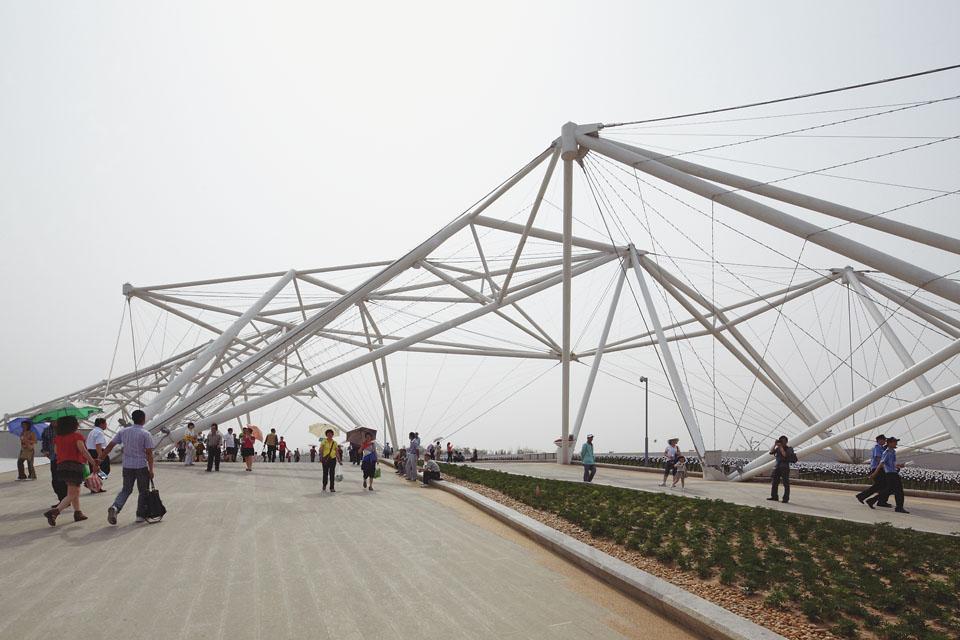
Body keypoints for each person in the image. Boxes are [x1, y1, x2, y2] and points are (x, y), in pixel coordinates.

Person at [43, 416, 101, 526]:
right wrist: (93, 462)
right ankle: (55, 512)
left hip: (61, 466)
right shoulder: (77, 436)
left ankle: (78, 513)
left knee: (74, 491)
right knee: (72, 493)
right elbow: (83, 451)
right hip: (74, 466)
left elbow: (55, 452)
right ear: (73, 425)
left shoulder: (58, 438)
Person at [100, 409, 155, 525]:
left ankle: (115, 507)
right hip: (141, 466)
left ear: (133, 419)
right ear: (143, 419)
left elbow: (110, 446)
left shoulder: (123, 432)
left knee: (126, 489)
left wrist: (100, 458)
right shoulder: (146, 434)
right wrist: (151, 469)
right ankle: (140, 515)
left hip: (127, 466)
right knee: (143, 491)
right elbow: (149, 453)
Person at [868, 437, 908, 513]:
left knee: (889, 490)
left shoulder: (892, 451)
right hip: (890, 474)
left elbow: (892, 464)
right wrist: (874, 474)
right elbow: (881, 463)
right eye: (894, 442)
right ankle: (899, 508)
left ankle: (871, 500)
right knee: (899, 491)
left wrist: (899, 465)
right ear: (889, 443)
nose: (896, 443)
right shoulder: (887, 452)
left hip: (893, 473)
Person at [857, 434, 889, 507]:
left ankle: (879, 501)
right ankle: (863, 497)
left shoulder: (882, 448)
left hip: (879, 468)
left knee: (881, 486)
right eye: (884, 440)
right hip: (877, 469)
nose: (885, 441)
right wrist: (885, 466)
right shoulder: (877, 448)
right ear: (879, 440)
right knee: (880, 485)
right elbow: (878, 458)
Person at [40, 422, 68, 505]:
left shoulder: (65, 430)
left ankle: (65, 500)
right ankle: (61, 499)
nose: (54, 421)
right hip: (54, 458)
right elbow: (44, 443)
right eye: (52, 420)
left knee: (64, 480)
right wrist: (45, 451)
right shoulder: (46, 431)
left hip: (65, 458)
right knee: (55, 481)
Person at [85, 417, 109, 492]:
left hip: (91, 452)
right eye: (105, 423)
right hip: (98, 452)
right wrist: (100, 456)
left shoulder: (92, 432)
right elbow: (98, 444)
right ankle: (91, 482)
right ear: (101, 424)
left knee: (94, 470)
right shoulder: (99, 432)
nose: (106, 425)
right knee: (105, 469)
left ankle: (95, 486)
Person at [767, 435, 793, 504]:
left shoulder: (789, 448)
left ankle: (785, 498)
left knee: (785, 483)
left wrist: (781, 447)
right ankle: (774, 496)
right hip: (778, 467)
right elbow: (771, 452)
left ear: (786, 442)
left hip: (784, 467)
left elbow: (785, 455)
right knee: (774, 482)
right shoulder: (778, 448)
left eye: (783, 441)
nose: (782, 442)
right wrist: (775, 444)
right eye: (781, 440)